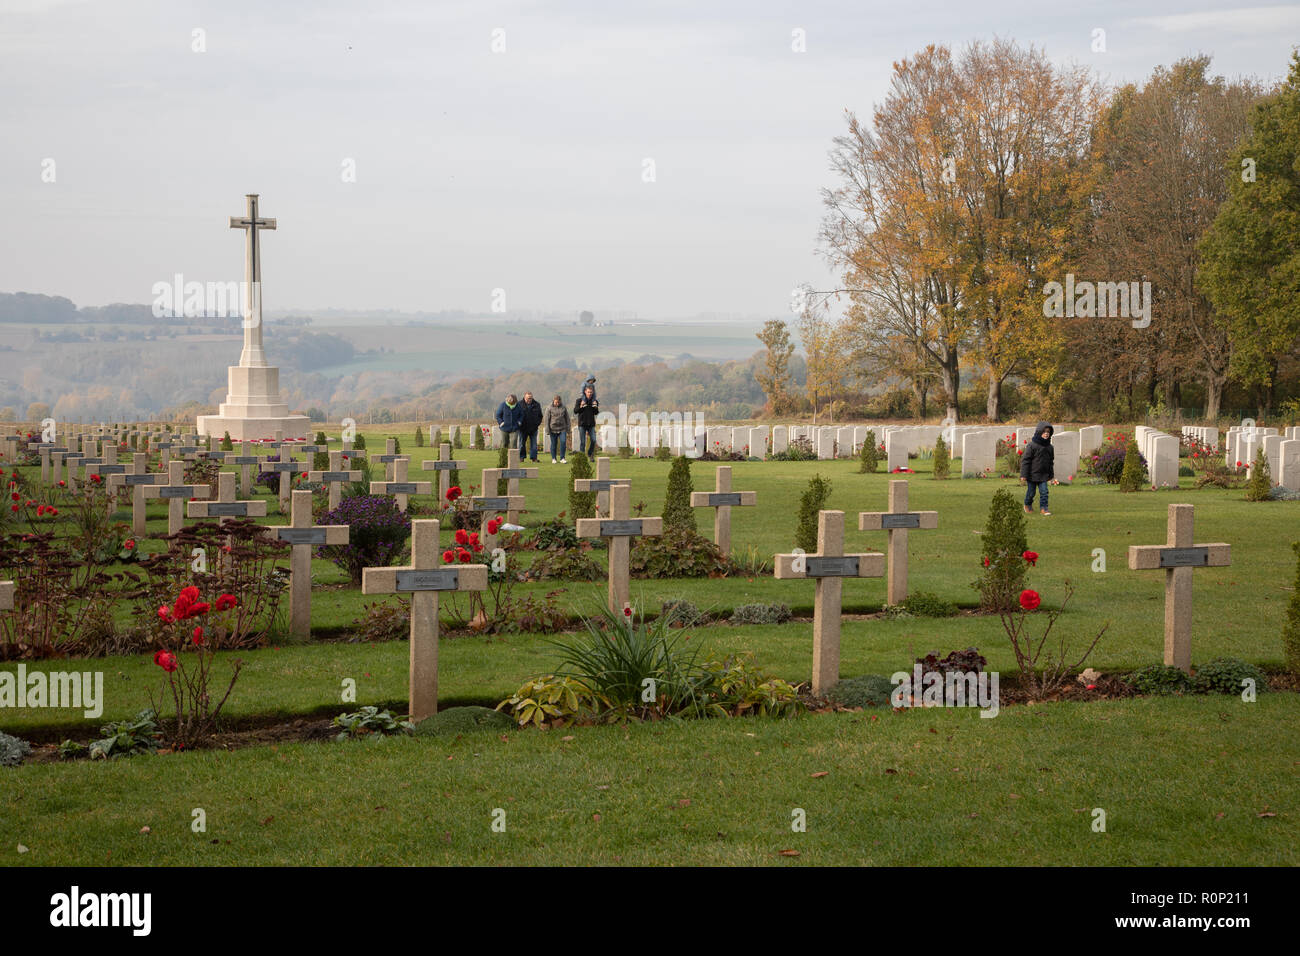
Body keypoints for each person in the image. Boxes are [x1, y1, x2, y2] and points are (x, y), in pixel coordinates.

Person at [1019, 422, 1055, 516]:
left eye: (1048, 432)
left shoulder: (1050, 447)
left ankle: (1044, 508)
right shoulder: (1032, 445)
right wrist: (1023, 475)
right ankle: (1027, 504)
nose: (1046, 433)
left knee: (1044, 492)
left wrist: (1051, 475)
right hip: (1032, 475)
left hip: (1043, 475)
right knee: (1031, 493)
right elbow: (1025, 461)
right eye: (1044, 431)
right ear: (1039, 432)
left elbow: (1051, 462)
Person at [544, 394, 570, 463]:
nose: (557, 404)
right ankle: (554, 458)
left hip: (562, 428)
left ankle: (562, 458)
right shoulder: (549, 408)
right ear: (553, 401)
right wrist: (547, 430)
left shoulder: (563, 407)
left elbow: (567, 418)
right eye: (556, 402)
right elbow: (546, 419)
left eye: (558, 402)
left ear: (560, 401)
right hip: (553, 429)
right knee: (554, 444)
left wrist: (568, 429)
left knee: (563, 442)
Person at [573, 385, 599, 456]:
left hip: (591, 424)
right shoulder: (579, 400)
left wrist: (595, 406)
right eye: (588, 392)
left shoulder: (594, 401)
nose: (589, 393)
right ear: (585, 392)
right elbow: (575, 411)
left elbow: (596, 412)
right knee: (583, 442)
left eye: (591, 392)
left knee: (593, 440)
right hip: (582, 424)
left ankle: (590, 453)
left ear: (593, 392)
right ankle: (582, 457)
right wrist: (581, 406)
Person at [519, 391, 543, 462]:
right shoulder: (519, 404)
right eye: (528, 398)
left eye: (531, 398)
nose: (529, 400)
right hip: (523, 428)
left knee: (534, 445)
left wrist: (537, 424)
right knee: (521, 444)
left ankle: (534, 458)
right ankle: (521, 457)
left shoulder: (537, 404)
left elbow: (540, 416)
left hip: (533, 428)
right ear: (524, 397)